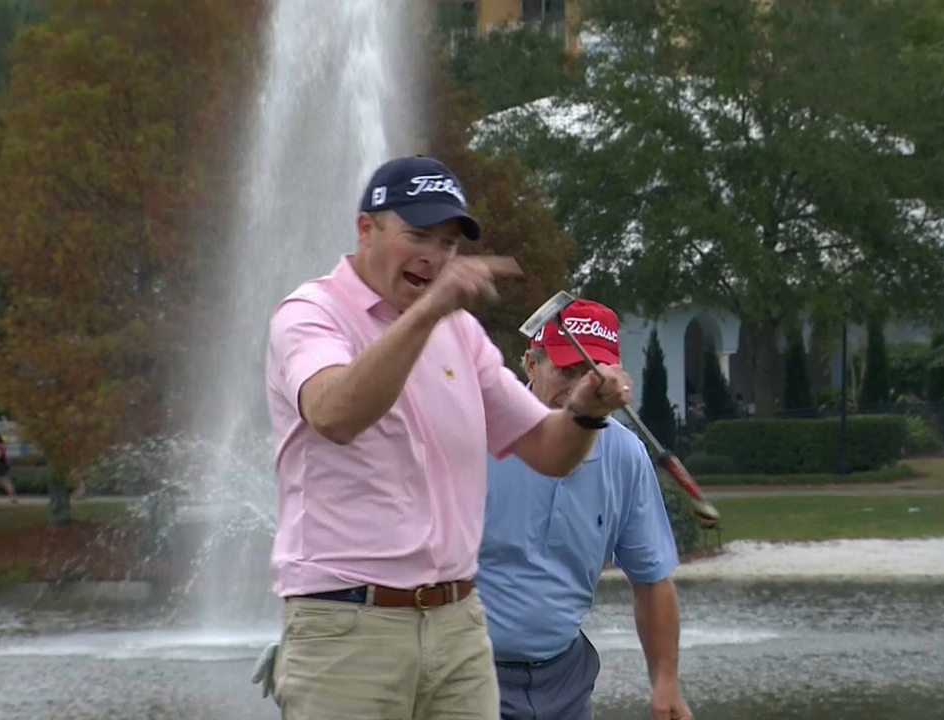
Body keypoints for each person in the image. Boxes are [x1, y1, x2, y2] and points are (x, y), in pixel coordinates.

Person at [250, 154, 634, 720]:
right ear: (366, 229)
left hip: (458, 623)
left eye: (450, 243)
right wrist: (429, 312)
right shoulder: (310, 315)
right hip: (346, 624)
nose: (435, 256)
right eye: (419, 235)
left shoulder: (460, 333)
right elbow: (333, 413)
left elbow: (548, 452)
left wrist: (583, 412)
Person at [478, 299, 693, 720]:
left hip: (565, 679)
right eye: (567, 371)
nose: (580, 388)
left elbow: (651, 581)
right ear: (530, 365)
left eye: (592, 374)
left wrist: (665, 682)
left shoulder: (625, 453)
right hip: (470, 673)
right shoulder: (481, 430)